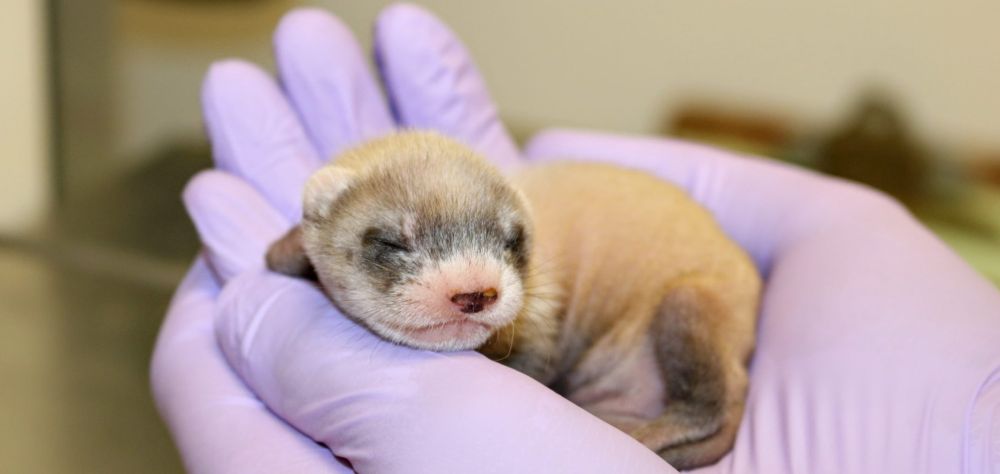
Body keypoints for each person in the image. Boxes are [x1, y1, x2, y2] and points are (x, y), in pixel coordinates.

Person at [150, 4, 1000, 473]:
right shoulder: (325, 224)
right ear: (319, 227)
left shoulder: (526, 302)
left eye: (506, 248)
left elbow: (521, 330)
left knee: (688, 306)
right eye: (393, 248)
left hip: (666, 323)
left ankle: (700, 422)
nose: (475, 284)